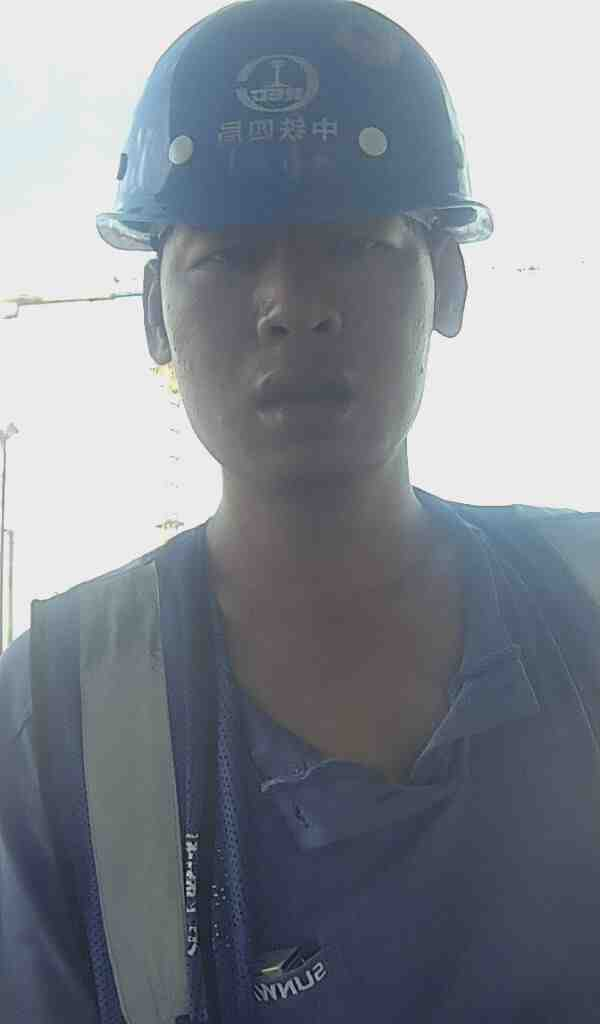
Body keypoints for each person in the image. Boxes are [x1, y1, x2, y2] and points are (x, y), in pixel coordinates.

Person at [2, 1, 600, 1021]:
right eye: (229, 256)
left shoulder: (585, 602)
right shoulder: (55, 722)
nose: (294, 305)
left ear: (450, 285)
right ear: (154, 316)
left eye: (357, 243)